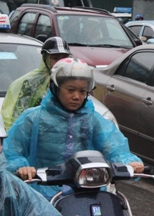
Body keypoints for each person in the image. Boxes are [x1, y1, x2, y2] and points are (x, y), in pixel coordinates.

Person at [4, 58, 144, 200]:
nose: (77, 96)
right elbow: (10, 153)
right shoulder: (33, 118)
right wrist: (21, 168)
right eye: (71, 90)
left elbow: (114, 148)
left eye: (82, 91)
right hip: (41, 196)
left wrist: (129, 163)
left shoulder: (93, 119)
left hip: (87, 193)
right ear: (55, 88)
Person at [2, 37, 71, 130]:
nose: (60, 62)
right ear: (45, 58)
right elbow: (19, 116)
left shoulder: (74, 80)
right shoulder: (31, 83)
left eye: (64, 58)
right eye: (55, 58)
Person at [0, 117, 62, 216]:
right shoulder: (33, 117)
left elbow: (41, 210)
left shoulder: (11, 185)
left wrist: (20, 169)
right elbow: (13, 150)